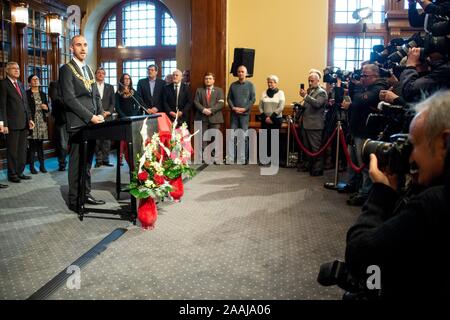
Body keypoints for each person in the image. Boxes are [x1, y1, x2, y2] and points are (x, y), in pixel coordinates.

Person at [345, 90, 450, 299]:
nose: (408, 155)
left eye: (414, 144)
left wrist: (381, 194)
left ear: (444, 143)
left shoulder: (434, 204)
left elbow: (361, 257)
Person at [58, 35, 105, 212]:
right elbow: (69, 99)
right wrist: (90, 117)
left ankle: (86, 194)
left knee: (87, 163)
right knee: (77, 163)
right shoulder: (66, 70)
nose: (83, 48)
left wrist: (100, 113)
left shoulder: (89, 70)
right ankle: (74, 200)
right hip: (78, 123)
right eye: (79, 45)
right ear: (71, 48)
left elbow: (96, 96)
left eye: (85, 45)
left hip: (92, 123)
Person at [341, 64, 390, 205]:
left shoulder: (379, 87)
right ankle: (354, 186)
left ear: (375, 76)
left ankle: (364, 194)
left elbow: (361, 100)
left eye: (365, 76)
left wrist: (357, 91)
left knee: (364, 165)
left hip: (367, 131)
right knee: (353, 161)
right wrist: (354, 86)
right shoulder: (365, 87)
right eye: (361, 75)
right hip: (356, 129)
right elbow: (356, 99)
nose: (361, 78)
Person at [0, 62, 35, 183]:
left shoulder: (20, 84)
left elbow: (26, 104)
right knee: (12, 151)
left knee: (22, 150)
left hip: (24, 123)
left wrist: (30, 119)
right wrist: (3, 124)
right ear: (7, 70)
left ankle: (20, 172)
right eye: (14, 68)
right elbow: (2, 106)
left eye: (18, 68)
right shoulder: (3, 84)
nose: (17, 70)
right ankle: (12, 174)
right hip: (11, 124)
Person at [299, 71, 327, 176]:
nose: (310, 83)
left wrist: (305, 96)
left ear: (318, 81)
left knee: (316, 148)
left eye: (312, 81)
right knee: (308, 148)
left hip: (315, 124)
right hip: (307, 123)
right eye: (309, 81)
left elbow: (317, 104)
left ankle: (318, 169)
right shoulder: (310, 91)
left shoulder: (321, 92)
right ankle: (310, 166)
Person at [227, 65, 256, 164]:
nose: (240, 73)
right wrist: (233, 107)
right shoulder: (233, 85)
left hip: (245, 115)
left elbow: (253, 99)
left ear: (246, 73)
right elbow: (229, 98)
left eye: (242, 72)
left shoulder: (250, 85)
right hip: (234, 114)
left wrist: (244, 109)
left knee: (243, 136)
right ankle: (231, 158)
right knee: (232, 136)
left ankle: (243, 158)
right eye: (239, 71)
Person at [193, 72, 225, 161]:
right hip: (202, 117)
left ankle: (215, 157)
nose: (208, 80)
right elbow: (196, 102)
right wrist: (204, 110)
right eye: (206, 78)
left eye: (210, 78)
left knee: (215, 137)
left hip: (215, 117)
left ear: (213, 80)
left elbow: (221, 103)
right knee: (203, 137)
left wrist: (211, 110)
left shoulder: (219, 90)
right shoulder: (199, 90)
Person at [116, 73, 143, 166]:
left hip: (132, 118)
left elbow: (138, 105)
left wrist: (133, 115)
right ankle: (120, 157)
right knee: (122, 139)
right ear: (122, 80)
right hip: (122, 118)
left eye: (128, 79)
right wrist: (123, 116)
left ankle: (132, 156)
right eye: (125, 78)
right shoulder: (118, 93)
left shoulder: (133, 92)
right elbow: (117, 107)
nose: (127, 80)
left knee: (132, 138)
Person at [26, 74, 49, 174]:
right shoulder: (26, 94)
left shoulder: (43, 94)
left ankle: (42, 166)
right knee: (32, 146)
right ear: (30, 82)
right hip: (32, 122)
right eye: (33, 79)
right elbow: (26, 109)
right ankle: (31, 167)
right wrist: (29, 120)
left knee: (40, 145)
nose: (36, 81)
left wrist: (46, 108)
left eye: (37, 79)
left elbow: (48, 109)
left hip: (42, 122)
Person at [258, 75, 285, 160]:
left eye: (271, 82)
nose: (269, 84)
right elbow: (260, 107)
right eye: (268, 82)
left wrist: (271, 118)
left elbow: (281, 107)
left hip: (276, 120)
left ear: (276, 83)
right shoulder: (263, 93)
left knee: (274, 139)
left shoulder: (281, 93)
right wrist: (265, 118)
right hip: (265, 120)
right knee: (265, 139)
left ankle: (274, 159)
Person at [94, 67, 115, 168]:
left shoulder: (110, 87)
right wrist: (98, 113)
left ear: (105, 75)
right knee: (97, 140)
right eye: (99, 73)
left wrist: (109, 112)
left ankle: (106, 159)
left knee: (107, 140)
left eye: (103, 73)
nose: (101, 74)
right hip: (96, 116)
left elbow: (112, 102)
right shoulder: (92, 86)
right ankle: (98, 160)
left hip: (107, 116)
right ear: (96, 75)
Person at [49, 81, 68, 171]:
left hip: (74, 119)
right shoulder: (54, 84)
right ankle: (62, 164)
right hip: (61, 119)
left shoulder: (73, 84)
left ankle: (75, 163)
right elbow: (55, 100)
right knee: (63, 144)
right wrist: (71, 102)